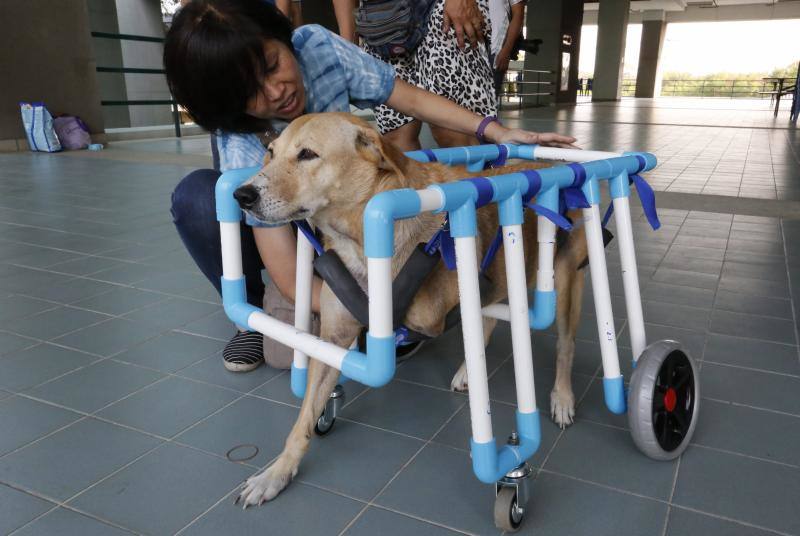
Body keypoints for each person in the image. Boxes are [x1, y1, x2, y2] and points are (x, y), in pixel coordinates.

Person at [165, 0, 576, 372]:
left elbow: (409, 99)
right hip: (285, 217)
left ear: (283, 38)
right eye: (251, 92)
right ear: (229, 104)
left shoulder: (318, 48)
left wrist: (494, 130)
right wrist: (372, 310)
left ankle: (361, 304)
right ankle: (250, 318)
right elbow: (289, 272)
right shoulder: (238, 139)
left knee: (338, 330)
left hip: (340, 213)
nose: (276, 91)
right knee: (199, 201)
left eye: (272, 65)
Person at [333, 0, 497, 151]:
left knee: (455, 132)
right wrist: (348, 47)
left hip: (442, 7)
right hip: (383, 19)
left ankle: (478, 181)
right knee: (396, 138)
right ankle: (415, 183)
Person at [489, 0, 525, 99]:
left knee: (488, 103)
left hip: (495, 50)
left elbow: (519, 14)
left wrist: (506, 50)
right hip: (468, 47)